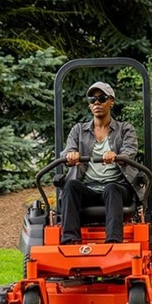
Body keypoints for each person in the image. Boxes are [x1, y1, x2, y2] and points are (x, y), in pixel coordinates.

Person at [59, 82, 142, 244]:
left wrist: (117, 156)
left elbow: (129, 152)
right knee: (70, 186)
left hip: (117, 189)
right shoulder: (78, 130)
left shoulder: (125, 129)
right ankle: (70, 240)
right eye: (92, 99)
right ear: (89, 105)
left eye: (101, 98)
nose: (96, 103)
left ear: (111, 101)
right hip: (88, 188)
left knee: (111, 188)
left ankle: (113, 242)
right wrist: (71, 156)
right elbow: (67, 152)